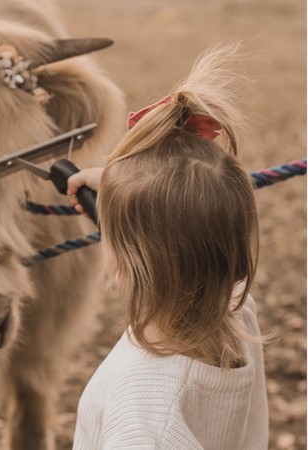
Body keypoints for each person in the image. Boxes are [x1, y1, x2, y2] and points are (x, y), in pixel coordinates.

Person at [67, 43, 268, 449]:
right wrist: (122, 187)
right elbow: (194, 217)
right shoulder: (234, 314)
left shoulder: (141, 411)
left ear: (125, 265)